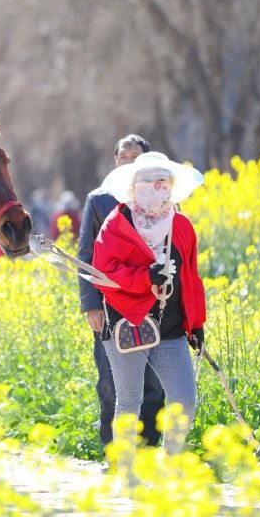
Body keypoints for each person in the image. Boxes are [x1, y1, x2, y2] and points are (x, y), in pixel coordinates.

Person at [92, 151, 206, 455]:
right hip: (128, 323)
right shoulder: (116, 223)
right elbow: (104, 274)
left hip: (171, 329)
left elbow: (191, 278)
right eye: (147, 181)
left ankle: (169, 466)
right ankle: (128, 472)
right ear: (133, 186)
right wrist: (145, 277)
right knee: (129, 400)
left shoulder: (181, 225)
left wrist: (196, 324)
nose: (156, 187)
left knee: (184, 401)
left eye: (162, 181)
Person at [77, 134, 165, 448]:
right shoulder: (98, 199)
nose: (128, 162)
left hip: (153, 304)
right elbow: (85, 256)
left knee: (154, 380)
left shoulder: (163, 197)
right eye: (123, 157)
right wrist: (91, 306)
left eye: (135, 157)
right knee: (109, 380)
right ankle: (113, 449)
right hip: (109, 304)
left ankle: (150, 445)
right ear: (115, 162)